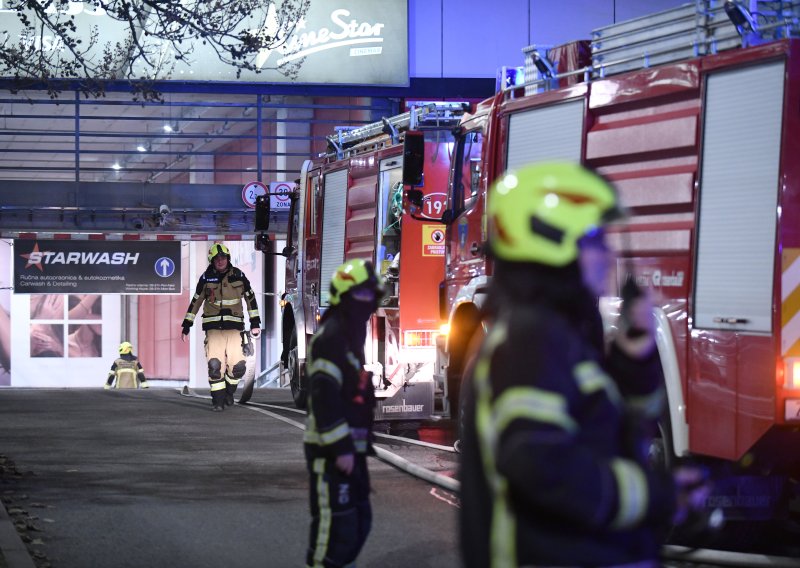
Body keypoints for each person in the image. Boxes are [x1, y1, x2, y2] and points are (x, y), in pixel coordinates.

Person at [458, 162, 709, 568]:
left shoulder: (557, 332)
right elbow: (542, 468)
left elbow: (608, 435)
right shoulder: (529, 341)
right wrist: (654, 494)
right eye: (594, 239)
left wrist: (633, 360)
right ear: (552, 242)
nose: (609, 256)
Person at [304, 259, 383, 568]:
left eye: (370, 295)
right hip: (331, 452)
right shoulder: (332, 338)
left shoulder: (351, 334)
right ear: (346, 296)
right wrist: (340, 448)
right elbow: (324, 396)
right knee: (334, 533)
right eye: (362, 295)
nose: (368, 302)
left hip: (353, 449)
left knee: (359, 524)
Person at [181, 243, 261, 411]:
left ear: (228, 258)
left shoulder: (238, 276)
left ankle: (229, 392)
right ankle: (218, 401)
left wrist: (255, 323)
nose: (220, 261)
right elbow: (196, 302)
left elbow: (250, 300)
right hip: (214, 329)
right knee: (215, 366)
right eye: (217, 259)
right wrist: (187, 324)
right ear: (212, 260)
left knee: (238, 367)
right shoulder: (205, 278)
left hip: (234, 329)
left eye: (223, 258)